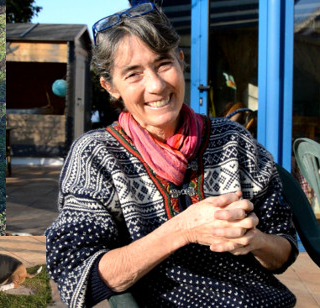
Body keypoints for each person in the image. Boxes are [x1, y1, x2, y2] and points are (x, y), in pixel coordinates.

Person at [45, 2, 298, 307]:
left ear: (181, 61)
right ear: (110, 87)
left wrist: (254, 240)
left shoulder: (234, 141)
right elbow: (76, 276)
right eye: (133, 74)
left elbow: (283, 252)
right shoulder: (98, 155)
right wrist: (184, 228)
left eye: (163, 63)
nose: (156, 85)